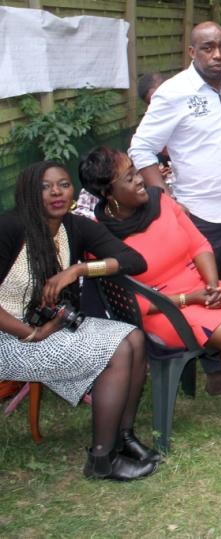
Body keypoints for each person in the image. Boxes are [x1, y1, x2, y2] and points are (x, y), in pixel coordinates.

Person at [80, 148, 221, 430]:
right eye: (129, 178)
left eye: (136, 171)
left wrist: (212, 285)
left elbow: (199, 245)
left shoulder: (161, 203)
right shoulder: (100, 237)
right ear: (108, 192)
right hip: (160, 308)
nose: (141, 180)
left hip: (199, 286)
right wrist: (190, 299)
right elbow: (131, 303)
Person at [129, 21, 221, 395]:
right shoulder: (174, 93)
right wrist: (163, 198)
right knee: (209, 288)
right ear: (192, 52)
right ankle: (217, 364)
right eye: (208, 48)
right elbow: (141, 148)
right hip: (199, 212)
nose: (218, 55)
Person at [0, 161, 157, 481]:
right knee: (117, 351)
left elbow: (133, 261)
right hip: (10, 337)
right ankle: (102, 459)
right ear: (30, 192)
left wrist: (80, 269)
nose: (56, 192)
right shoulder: (9, 228)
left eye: (63, 184)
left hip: (52, 326)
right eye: (45, 186)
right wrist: (31, 334)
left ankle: (122, 439)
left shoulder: (74, 226)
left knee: (134, 338)